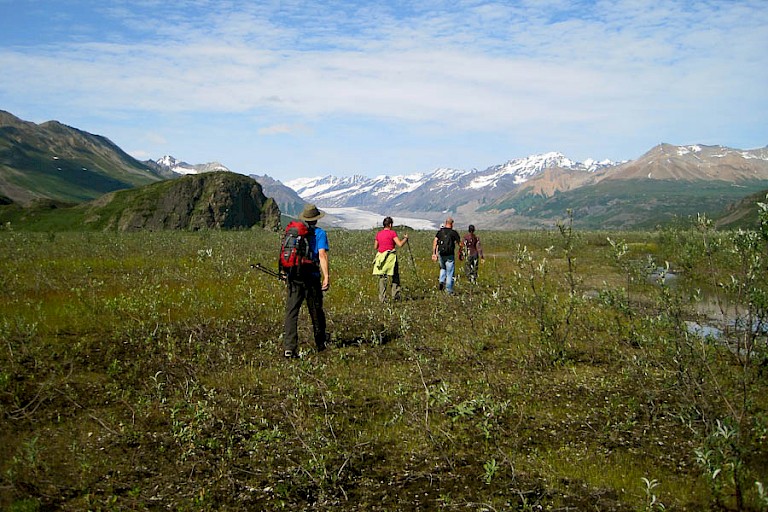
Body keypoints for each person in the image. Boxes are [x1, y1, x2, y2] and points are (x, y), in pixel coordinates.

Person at [282, 204, 330, 358]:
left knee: (291, 312)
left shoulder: (293, 233)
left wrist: (285, 272)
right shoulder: (320, 233)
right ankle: (320, 343)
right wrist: (326, 276)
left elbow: (286, 253)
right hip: (312, 276)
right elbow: (322, 255)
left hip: (294, 275)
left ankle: (289, 348)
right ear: (316, 219)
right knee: (316, 309)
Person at [373, 216, 409, 302]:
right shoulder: (392, 233)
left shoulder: (379, 234)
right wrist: (405, 239)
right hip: (391, 257)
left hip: (381, 257)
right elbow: (400, 244)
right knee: (395, 276)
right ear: (390, 224)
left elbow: (375, 247)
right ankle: (395, 295)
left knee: (382, 277)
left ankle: (382, 298)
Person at [432, 217, 462, 294]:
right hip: (450, 254)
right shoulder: (453, 233)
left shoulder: (440, 232)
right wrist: (460, 252)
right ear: (452, 224)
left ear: (446, 223)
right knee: (450, 272)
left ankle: (441, 281)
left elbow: (435, 242)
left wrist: (434, 253)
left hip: (441, 253)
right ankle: (449, 290)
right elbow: (460, 244)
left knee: (443, 268)